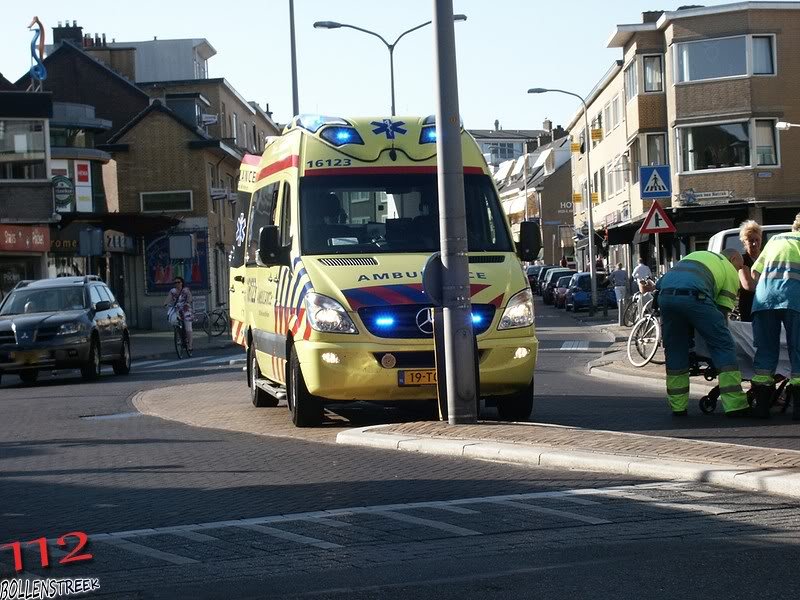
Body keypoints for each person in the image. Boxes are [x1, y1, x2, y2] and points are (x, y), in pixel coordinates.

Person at [656, 249, 750, 417]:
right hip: (695, 297)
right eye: (739, 266)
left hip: (666, 296)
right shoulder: (729, 270)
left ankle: (678, 406)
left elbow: (660, 283)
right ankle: (735, 403)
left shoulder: (696, 256)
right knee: (723, 344)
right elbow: (721, 315)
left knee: (675, 350)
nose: (738, 271)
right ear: (733, 258)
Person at [744, 213, 800, 419]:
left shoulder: (776, 239)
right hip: (795, 300)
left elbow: (755, 273)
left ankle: (761, 407)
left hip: (764, 299)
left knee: (766, 350)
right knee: (798, 349)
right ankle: (798, 409)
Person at [736, 220, 762, 322]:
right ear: (744, 242)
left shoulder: (767, 258)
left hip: (767, 306)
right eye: (751, 240)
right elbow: (748, 285)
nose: (755, 243)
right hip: (749, 306)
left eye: (757, 239)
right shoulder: (742, 260)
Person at [164, 276, 193, 352]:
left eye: (178, 282)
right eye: (175, 282)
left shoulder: (186, 290)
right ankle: (180, 338)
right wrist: (165, 303)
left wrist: (188, 303)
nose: (177, 284)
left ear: (182, 283)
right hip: (177, 310)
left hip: (186, 309)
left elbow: (190, 298)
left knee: (188, 328)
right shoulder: (172, 291)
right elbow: (169, 298)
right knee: (176, 324)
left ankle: (190, 345)